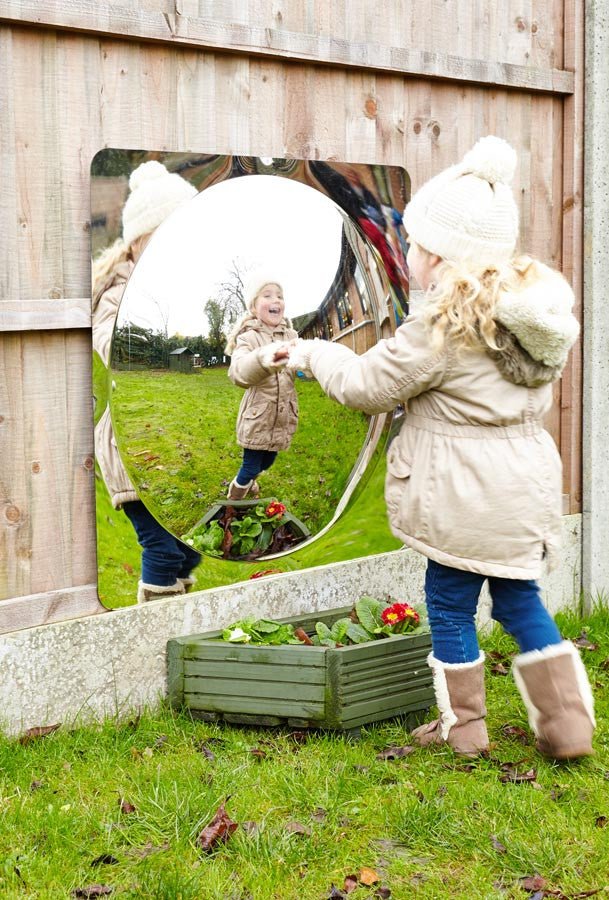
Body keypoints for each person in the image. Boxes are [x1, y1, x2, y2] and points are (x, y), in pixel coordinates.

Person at [284, 136, 594, 760]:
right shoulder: (530, 314)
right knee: (519, 599)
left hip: (459, 493)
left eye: (415, 244)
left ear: (437, 255)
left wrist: (316, 352)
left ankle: (464, 729)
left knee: (449, 603)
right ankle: (568, 727)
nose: (409, 252)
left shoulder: (441, 326)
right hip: (522, 488)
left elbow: (369, 386)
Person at [92, 160, 202, 604]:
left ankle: (178, 613)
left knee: (188, 549)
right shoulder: (118, 292)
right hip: (132, 448)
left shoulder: (185, 293)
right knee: (160, 545)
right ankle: (153, 621)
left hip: (169, 446)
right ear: (137, 244)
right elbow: (108, 341)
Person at [224, 273, 298, 500]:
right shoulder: (249, 338)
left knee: (268, 461)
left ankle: (249, 485)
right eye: (267, 295)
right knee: (250, 466)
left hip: (281, 415)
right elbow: (238, 372)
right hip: (259, 416)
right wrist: (263, 359)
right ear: (254, 308)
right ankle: (232, 502)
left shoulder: (291, 335)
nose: (276, 300)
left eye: (280, 296)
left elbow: (298, 366)